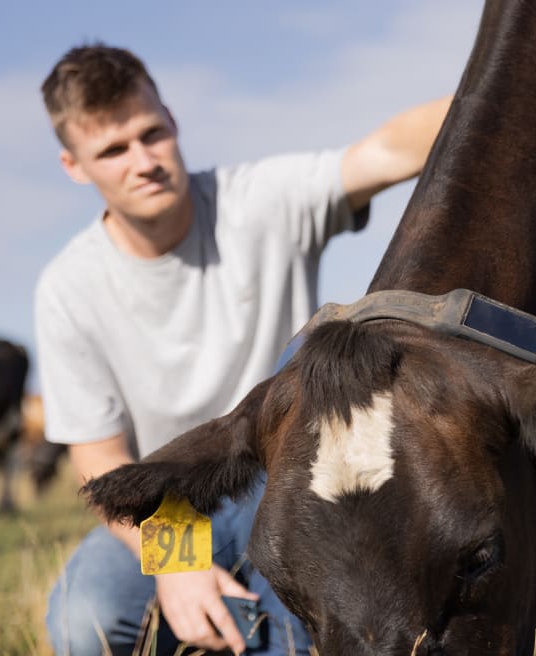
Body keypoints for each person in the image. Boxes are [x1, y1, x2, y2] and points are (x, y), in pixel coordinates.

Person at [36, 42, 450, 655]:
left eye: (152, 134)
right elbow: (101, 458)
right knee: (82, 622)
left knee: (303, 629)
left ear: (173, 122)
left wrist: (513, 81)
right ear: (75, 165)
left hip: (287, 481)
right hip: (169, 503)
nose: (143, 161)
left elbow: (386, 152)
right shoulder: (67, 288)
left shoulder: (260, 201)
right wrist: (174, 563)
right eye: (113, 150)